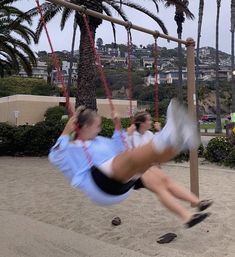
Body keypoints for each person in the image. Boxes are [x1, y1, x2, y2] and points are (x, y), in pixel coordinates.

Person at [49, 99, 210, 228]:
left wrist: (117, 124)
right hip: (98, 184)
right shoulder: (72, 148)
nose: (99, 130)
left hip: (121, 185)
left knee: (151, 164)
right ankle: (167, 136)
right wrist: (66, 131)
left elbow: (117, 146)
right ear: (82, 127)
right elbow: (54, 155)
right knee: (131, 158)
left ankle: (178, 143)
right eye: (97, 126)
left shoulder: (99, 141)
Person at [126, 110, 213, 227]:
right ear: (141, 123)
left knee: (168, 181)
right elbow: (126, 153)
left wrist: (159, 131)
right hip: (136, 172)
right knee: (160, 188)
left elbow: (161, 145)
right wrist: (128, 135)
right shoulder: (131, 135)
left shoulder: (149, 135)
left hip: (149, 167)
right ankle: (187, 217)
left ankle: (198, 203)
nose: (151, 121)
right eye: (149, 120)